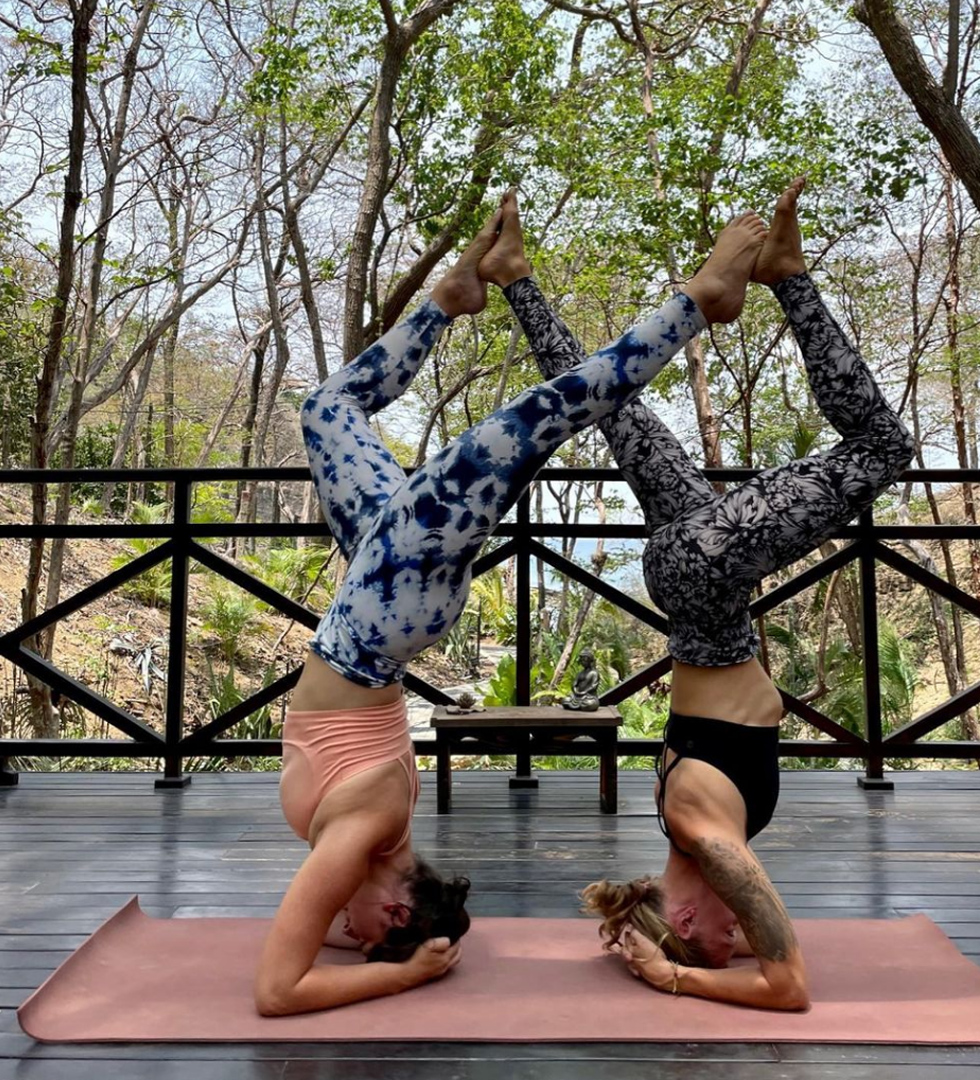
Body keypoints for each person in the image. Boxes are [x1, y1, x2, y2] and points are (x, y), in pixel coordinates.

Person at [254, 192, 770, 1016]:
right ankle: (697, 303)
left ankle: (450, 300)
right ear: (397, 914)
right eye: (360, 935)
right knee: (532, 420)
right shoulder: (364, 835)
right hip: (384, 608)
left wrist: (400, 963)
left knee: (327, 411)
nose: (339, 931)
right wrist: (407, 971)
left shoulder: (369, 844)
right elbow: (279, 991)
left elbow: (301, 971)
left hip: (373, 604)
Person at [484, 181, 915, 1010]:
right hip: (698, 591)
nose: (736, 944)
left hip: (707, 580)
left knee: (880, 448)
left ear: (682, 915)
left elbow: (788, 986)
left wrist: (673, 973)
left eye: (719, 944)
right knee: (609, 407)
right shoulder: (682, 830)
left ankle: (783, 278)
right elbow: (749, 947)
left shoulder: (704, 837)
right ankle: (514, 278)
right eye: (731, 950)